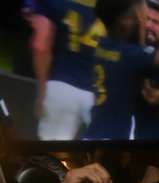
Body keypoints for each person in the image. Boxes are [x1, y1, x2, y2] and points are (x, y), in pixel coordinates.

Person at [84, 0, 159, 140]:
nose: (148, 25)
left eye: (155, 22)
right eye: (146, 19)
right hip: (117, 137)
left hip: (158, 140)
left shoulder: (107, 44)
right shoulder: (137, 56)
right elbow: (152, 95)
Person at [26, 0, 102, 140]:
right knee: (103, 154)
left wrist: (42, 91)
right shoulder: (116, 7)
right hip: (100, 93)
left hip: (61, 88)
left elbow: (40, 46)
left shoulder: (56, 2)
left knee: (51, 153)